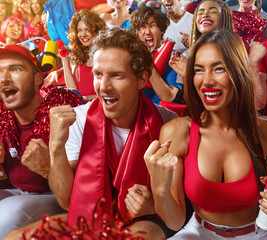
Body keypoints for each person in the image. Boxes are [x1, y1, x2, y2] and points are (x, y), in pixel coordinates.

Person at [144, 29, 267, 240]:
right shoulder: (176, 132)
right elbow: (175, 221)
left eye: (218, 69)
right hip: (197, 232)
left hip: (254, 234)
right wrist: (160, 190)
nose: (206, 81)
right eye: (198, 70)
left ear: (239, 72)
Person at [48, 28, 178, 240]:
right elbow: (66, 201)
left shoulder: (168, 123)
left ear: (141, 79)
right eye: (98, 75)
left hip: (148, 218)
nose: (104, 86)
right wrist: (56, 145)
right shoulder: (78, 119)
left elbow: (180, 203)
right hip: (92, 216)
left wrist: (154, 205)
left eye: (116, 76)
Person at [0, 44, 82, 239]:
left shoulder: (63, 111)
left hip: (57, 197)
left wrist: (48, 167)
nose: (4, 78)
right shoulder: (3, 116)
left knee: (8, 215)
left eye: (15, 69)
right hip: (15, 190)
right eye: (0, 71)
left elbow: (81, 194)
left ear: (38, 78)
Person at [131, 6, 183, 104]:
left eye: (152, 26)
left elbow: (169, 97)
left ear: (161, 30)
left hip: (164, 114)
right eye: (142, 27)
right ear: (138, 32)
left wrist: (148, 62)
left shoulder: (174, 57)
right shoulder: (132, 58)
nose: (147, 32)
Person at [169, 0, 234, 79]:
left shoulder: (233, 50)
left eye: (213, 11)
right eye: (200, 13)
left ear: (224, 17)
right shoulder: (188, 55)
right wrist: (186, 76)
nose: (205, 15)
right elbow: (186, 91)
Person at [58, 9, 106, 102]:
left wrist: (87, 99)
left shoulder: (104, 55)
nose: (83, 34)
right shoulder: (79, 54)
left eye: (87, 30)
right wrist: (65, 60)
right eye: (79, 30)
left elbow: (110, 92)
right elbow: (73, 90)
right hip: (81, 106)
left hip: (99, 107)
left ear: (96, 31)